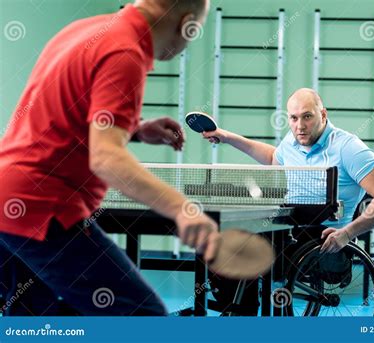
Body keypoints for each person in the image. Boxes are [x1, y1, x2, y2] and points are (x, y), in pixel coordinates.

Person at [0, 0, 218, 316]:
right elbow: (106, 158)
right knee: (142, 316)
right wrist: (181, 209)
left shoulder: (84, 30)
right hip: (41, 207)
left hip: (7, 201)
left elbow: (60, 121)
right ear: (187, 22)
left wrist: (136, 129)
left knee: (38, 319)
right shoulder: (126, 52)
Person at [203, 88, 374, 315]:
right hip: (286, 229)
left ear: (323, 115)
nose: (300, 125)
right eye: (294, 118)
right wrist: (227, 137)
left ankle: (242, 315)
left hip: (324, 241)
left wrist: (347, 233)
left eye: (307, 116)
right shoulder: (292, 141)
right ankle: (240, 313)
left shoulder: (348, 148)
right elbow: (273, 158)